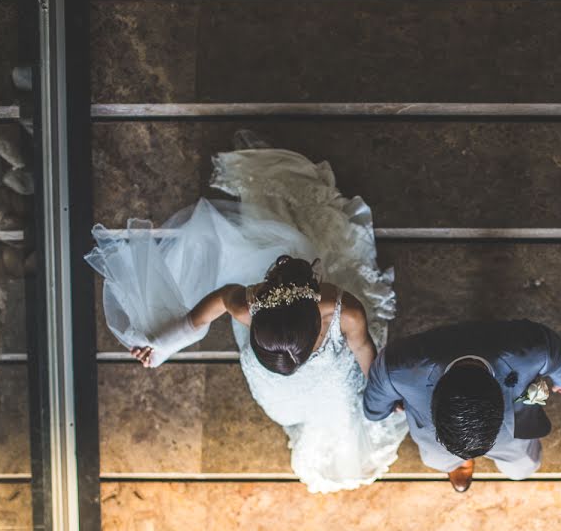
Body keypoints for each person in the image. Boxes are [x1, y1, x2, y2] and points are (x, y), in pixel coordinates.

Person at [86, 131, 407, 493]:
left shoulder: (304, 308)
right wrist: (163, 346)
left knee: (326, 407)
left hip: (297, 387)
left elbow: (365, 350)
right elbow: (195, 320)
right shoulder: (313, 307)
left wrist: (381, 389)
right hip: (285, 386)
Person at [363, 320, 561, 492]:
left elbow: (555, 354)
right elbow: (374, 410)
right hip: (436, 439)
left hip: (509, 430)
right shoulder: (397, 366)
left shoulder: (532, 347)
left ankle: (468, 462)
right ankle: (454, 463)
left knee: (523, 467)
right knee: (437, 458)